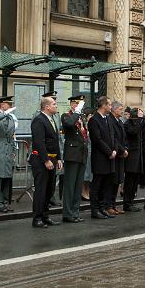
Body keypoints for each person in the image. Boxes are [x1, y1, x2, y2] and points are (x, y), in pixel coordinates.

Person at [29, 96, 63, 228]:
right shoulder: (39, 120)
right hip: (41, 161)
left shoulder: (52, 119)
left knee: (49, 190)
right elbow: (39, 142)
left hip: (52, 160)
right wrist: (46, 160)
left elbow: (55, 141)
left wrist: (58, 158)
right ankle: (37, 218)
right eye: (54, 104)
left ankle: (45, 215)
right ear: (47, 107)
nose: (56, 105)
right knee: (41, 190)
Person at [88, 96, 117, 219]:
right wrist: (109, 152)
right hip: (100, 158)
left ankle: (102, 207)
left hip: (110, 157)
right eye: (109, 105)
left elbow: (113, 136)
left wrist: (115, 150)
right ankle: (95, 210)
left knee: (106, 185)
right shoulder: (94, 120)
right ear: (104, 105)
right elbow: (97, 140)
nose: (111, 107)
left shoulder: (108, 119)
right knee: (97, 185)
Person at [60, 95, 88, 223]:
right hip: (72, 154)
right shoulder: (66, 116)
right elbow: (70, 124)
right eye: (76, 103)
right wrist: (76, 112)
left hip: (81, 154)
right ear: (72, 104)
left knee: (78, 185)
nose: (79, 106)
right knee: (70, 185)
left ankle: (75, 211)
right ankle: (67, 213)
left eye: (80, 104)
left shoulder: (81, 117)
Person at [108, 101, 128, 215]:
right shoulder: (110, 120)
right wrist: (122, 149)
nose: (122, 111)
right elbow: (114, 138)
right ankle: (109, 205)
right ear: (114, 109)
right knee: (112, 182)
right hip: (115, 153)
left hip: (120, 154)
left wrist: (125, 148)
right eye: (120, 109)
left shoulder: (119, 121)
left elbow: (124, 138)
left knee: (118, 181)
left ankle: (113, 204)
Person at [122, 107, 144, 212]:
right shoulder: (127, 124)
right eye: (139, 113)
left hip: (137, 156)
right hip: (131, 157)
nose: (141, 115)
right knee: (129, 181)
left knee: (135, 181)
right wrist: (139, 120)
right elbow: (133, 132)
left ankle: (131, 201)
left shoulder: (138, 123)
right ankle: (127, 203)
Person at [82, 108, 95, 201]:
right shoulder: (84, 126)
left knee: (90, 174)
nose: (91, 117)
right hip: (86, 152)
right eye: (90, 115)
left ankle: (87, 191)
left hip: (92, 152)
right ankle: (83, 192)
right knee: (85, 174)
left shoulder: (93, 125)